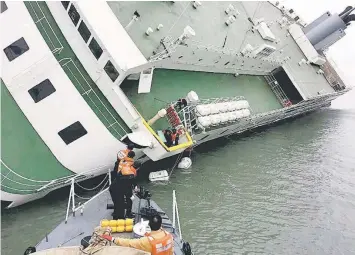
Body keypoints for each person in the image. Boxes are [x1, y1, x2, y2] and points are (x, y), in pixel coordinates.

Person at [101, 214, 174, 255]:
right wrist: (148, 235)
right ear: (161, 224)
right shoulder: (169, 236)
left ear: (149, 225)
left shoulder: (146, 242)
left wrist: (113, 239)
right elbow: (171, 251)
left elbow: (129, 243)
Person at [109, 151, 136, 219]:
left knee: (118, 203)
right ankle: (126, 215)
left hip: (116, 185)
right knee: (122, 203)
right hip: (120, 187)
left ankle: (117, 215)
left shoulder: (122, 161)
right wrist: (131, 194)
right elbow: (129, 184)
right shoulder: (130, 168)